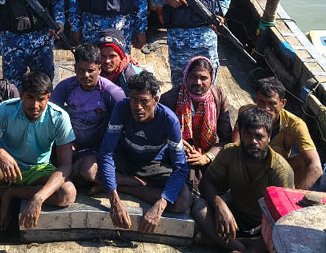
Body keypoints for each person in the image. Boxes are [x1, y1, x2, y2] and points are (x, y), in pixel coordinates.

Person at [0, 71, 77, 248]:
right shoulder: (6, 109)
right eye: (30, 98)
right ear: (21, 95)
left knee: (68, 193)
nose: (35, 105)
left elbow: (66, 166)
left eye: (41, 99)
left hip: (39, 169)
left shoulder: (60, 117)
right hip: (7, 168)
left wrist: (39, 198)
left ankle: (12, 194)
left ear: (48, 98)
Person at [99, 71, 191, 233]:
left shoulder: (169, 121)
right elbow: (107, 152)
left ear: (155, 100)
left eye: (144, 101)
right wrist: (114, 201)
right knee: (89, 169)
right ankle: (125, 184)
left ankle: (125, 186)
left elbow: (180, 166)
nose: (137, 107)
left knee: (183, 200)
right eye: (133, 99)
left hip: (154, 165)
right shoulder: (122, 108)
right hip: (125, 159)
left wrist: (160, 205)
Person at [192, 108, 294, 253]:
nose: (253, 141)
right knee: (199, 207)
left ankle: (225, 243)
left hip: (263, 228)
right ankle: (239, 247)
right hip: (234, 216)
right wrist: (220, 206)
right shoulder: (230, 152)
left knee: (273, 242)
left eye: (259, 137)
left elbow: (284, 220)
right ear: (240, 134)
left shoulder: (281, 171)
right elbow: (207, 182)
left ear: (269, 137)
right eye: (247, 135)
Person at [51, 43, 125, 185]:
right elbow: (50, 117)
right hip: (70, 142)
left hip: (97, 146)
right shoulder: (65, 87)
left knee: (88, 172)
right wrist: (64, 141)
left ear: (99, 68)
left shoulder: (112, 92)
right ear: (75, 69)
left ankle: (118, 185)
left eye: (91, 70)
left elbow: (123, 123)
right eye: (81, 70)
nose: (86, 75)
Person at [232, 77, 322, 190]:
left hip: (276, 170)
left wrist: (293, 196)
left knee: (303, 161)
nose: (266, 109)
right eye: (261, 102)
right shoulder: (245, 113)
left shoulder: (296, 124)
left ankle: (285, 194)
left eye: (272, 103)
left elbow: (316, 167)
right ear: (256, 99)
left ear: (282, 103)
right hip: (248, 164)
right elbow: (235, 145)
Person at [159, 56, 232, 186]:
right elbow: (160, 134)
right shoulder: (169, 99)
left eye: (204, 78)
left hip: (207, 151)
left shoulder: (218, 97)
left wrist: (206, 157)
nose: (198, 82)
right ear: (186, 77)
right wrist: (181, 146)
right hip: (176, 151)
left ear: (211, 79)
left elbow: (226, 139)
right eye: (193, 77)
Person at [96, 28, 141, 95]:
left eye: (112, 56)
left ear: (121, 57)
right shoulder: (95, 70)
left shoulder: (130, 76)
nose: (107, 61)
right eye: (103, 56)